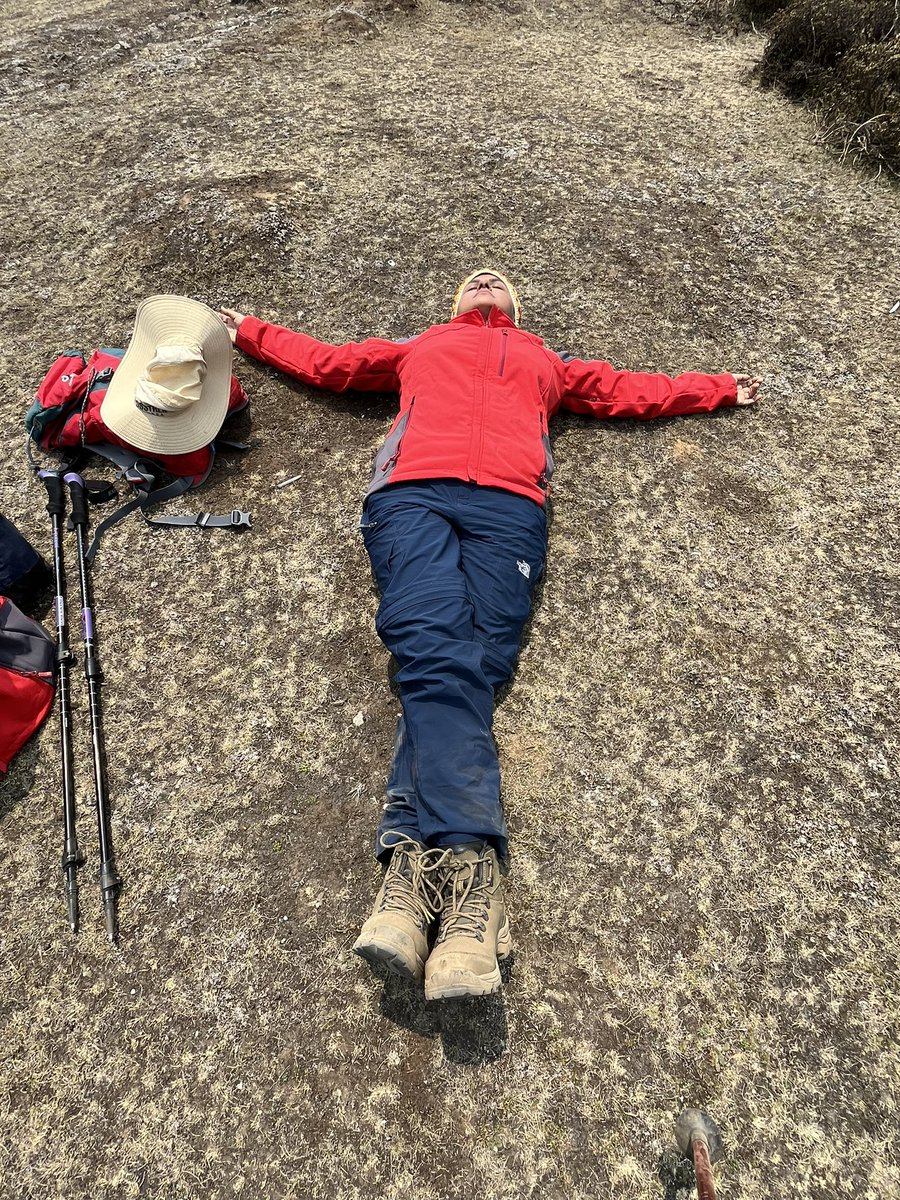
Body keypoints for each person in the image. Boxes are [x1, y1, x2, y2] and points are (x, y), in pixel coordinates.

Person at [220, 271, 761, 1002]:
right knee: (434, 646)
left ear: (515, 310)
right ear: (452, 307)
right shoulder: (423, 345)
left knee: (472, 669)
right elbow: (330, 363)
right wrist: (250, 331)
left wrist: (717, 388)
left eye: (500, 282)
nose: (486, 280)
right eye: (475, 279)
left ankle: (410, 882)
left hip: (511, 509)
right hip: (412, 495)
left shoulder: (546, 361)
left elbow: (633, 389)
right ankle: (472, 877)